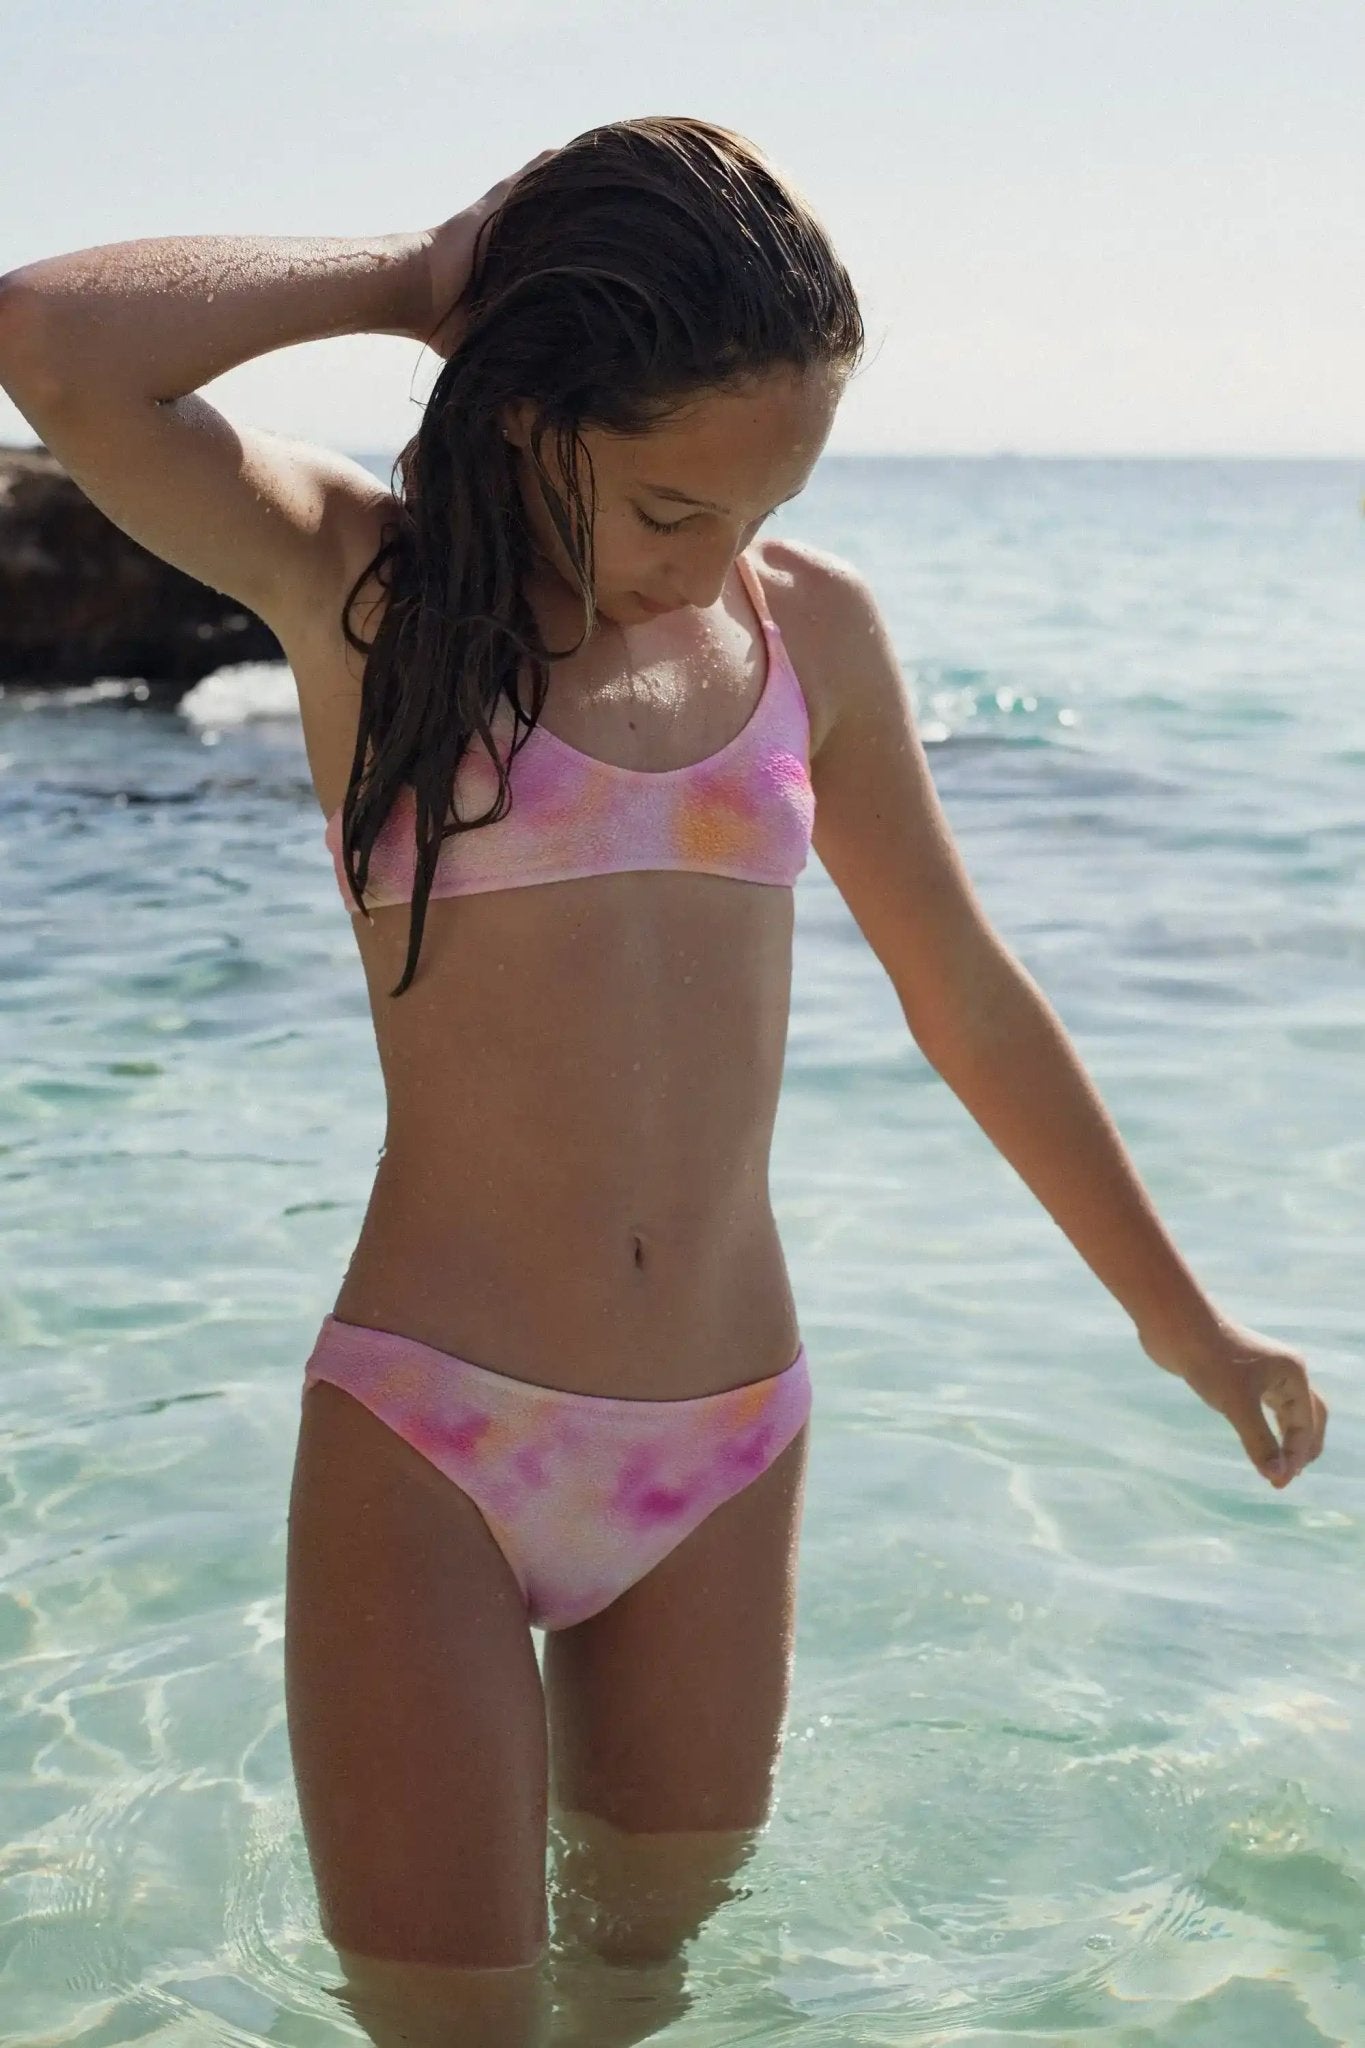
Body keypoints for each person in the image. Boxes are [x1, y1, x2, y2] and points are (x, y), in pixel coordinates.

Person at [0, 114, 1328, 2048]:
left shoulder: (816, 636)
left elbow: (962, 992)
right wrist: (413, 277)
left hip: (727, 1447)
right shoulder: (358, 587)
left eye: (752, 505)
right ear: (533, 411)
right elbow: (50, 339)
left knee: (639, 2001)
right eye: (666, 508)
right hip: (430, 1443)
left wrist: (1182, 1329)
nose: (705, 559)